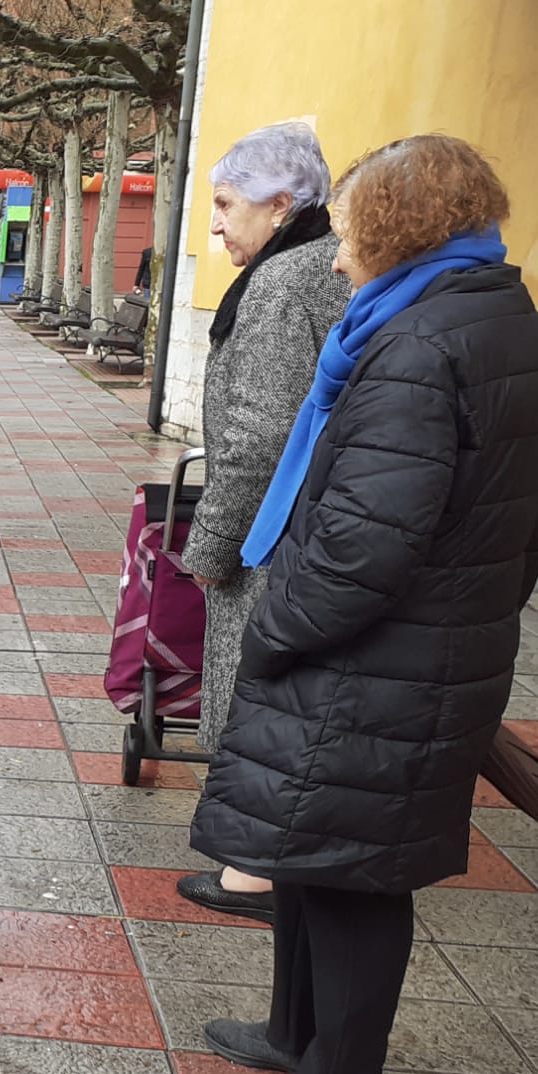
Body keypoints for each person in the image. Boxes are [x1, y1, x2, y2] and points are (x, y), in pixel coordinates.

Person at [190, 135, 538, 1074]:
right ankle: (294, 1035)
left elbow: (364, 543)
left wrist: (273, 629)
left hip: (383, 653)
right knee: (312, 853)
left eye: (349, 227)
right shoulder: (484, 314)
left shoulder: (419, 344)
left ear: (395, 228)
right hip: (425, 641)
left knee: (353, 870)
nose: (337, 249)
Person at [175, 122, 352, 927]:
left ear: (282, 205)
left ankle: (254, 871)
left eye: (225, 204)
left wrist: (208, 547)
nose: (215, 224)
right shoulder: (333, 270)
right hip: (322, 527)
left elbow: (257, 436)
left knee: (256, 695)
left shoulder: (284, 285)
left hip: (274, 534)